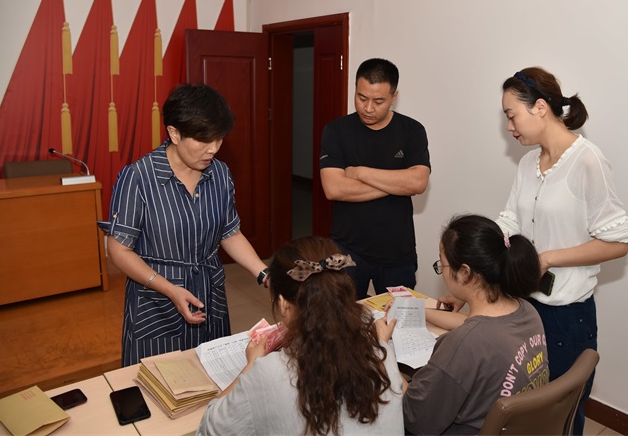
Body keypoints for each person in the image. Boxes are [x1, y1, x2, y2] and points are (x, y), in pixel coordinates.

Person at [497, 67, 628, 435]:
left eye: (512, 115)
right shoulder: (528, 163)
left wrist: (548, 258)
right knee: (524, 413)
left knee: (559, 420)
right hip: (523, 305)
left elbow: (618, 242)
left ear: (540, 108)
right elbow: (510, 220)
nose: (509, 126)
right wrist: (479, 252)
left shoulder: (587, 160)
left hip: (565, 318)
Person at [99, 83, 269, 367]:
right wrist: (170, 290)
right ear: (174, 133)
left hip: (209, 295)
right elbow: (119, 250)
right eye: (204, 140)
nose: (213, 149)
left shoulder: (220, 174)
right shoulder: (138, 177)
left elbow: (230, 233)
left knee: (214, 377)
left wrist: (264, 273)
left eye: (219, 139)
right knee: (160, 382)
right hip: (157, 301)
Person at [197, 236, 405, 435]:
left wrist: (251, 365)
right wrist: (381, 344)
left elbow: (210, 427)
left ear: (283, 304)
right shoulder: (381, 355)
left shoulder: (268, 373)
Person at [395, 214, 548, 435]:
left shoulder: (463, 344)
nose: (442, 271)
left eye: (442, 264)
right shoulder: (527, 312)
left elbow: (414, 418)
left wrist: (382, 358)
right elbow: (476, 326)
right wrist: (421, 312)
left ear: (465, 273)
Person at [319, 58, 431, 299]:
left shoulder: (412, 131)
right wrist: (398, 184)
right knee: (343, 317)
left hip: (397, 252)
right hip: (346, 248)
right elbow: (334, 188)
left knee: (399, 319)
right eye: (361, 98)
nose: (368, 108)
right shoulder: (336, 131)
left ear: (394, 97)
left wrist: (360, 172)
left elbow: (418, 183)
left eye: (378, 101)